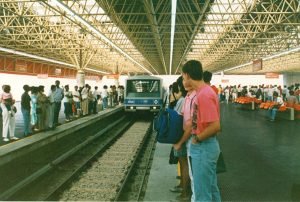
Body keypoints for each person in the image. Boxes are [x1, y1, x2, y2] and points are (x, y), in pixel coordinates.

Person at [181, 60, 221, 202]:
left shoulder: (203, 95)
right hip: (207, 147)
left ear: (188, 75)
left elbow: (215, 126)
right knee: (211, 189)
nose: (183, 79)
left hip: (203, 147)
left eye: (183, 76)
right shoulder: (204, 92)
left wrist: (197, 139)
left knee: (201, 195)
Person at [170, 77, 190, 201]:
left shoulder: (183, 100)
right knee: (182, 163)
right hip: (179, 137)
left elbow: (179, 119)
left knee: (184, 164)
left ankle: (185, 191)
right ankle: (182, 185)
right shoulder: (183, 100)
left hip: (181, 137)